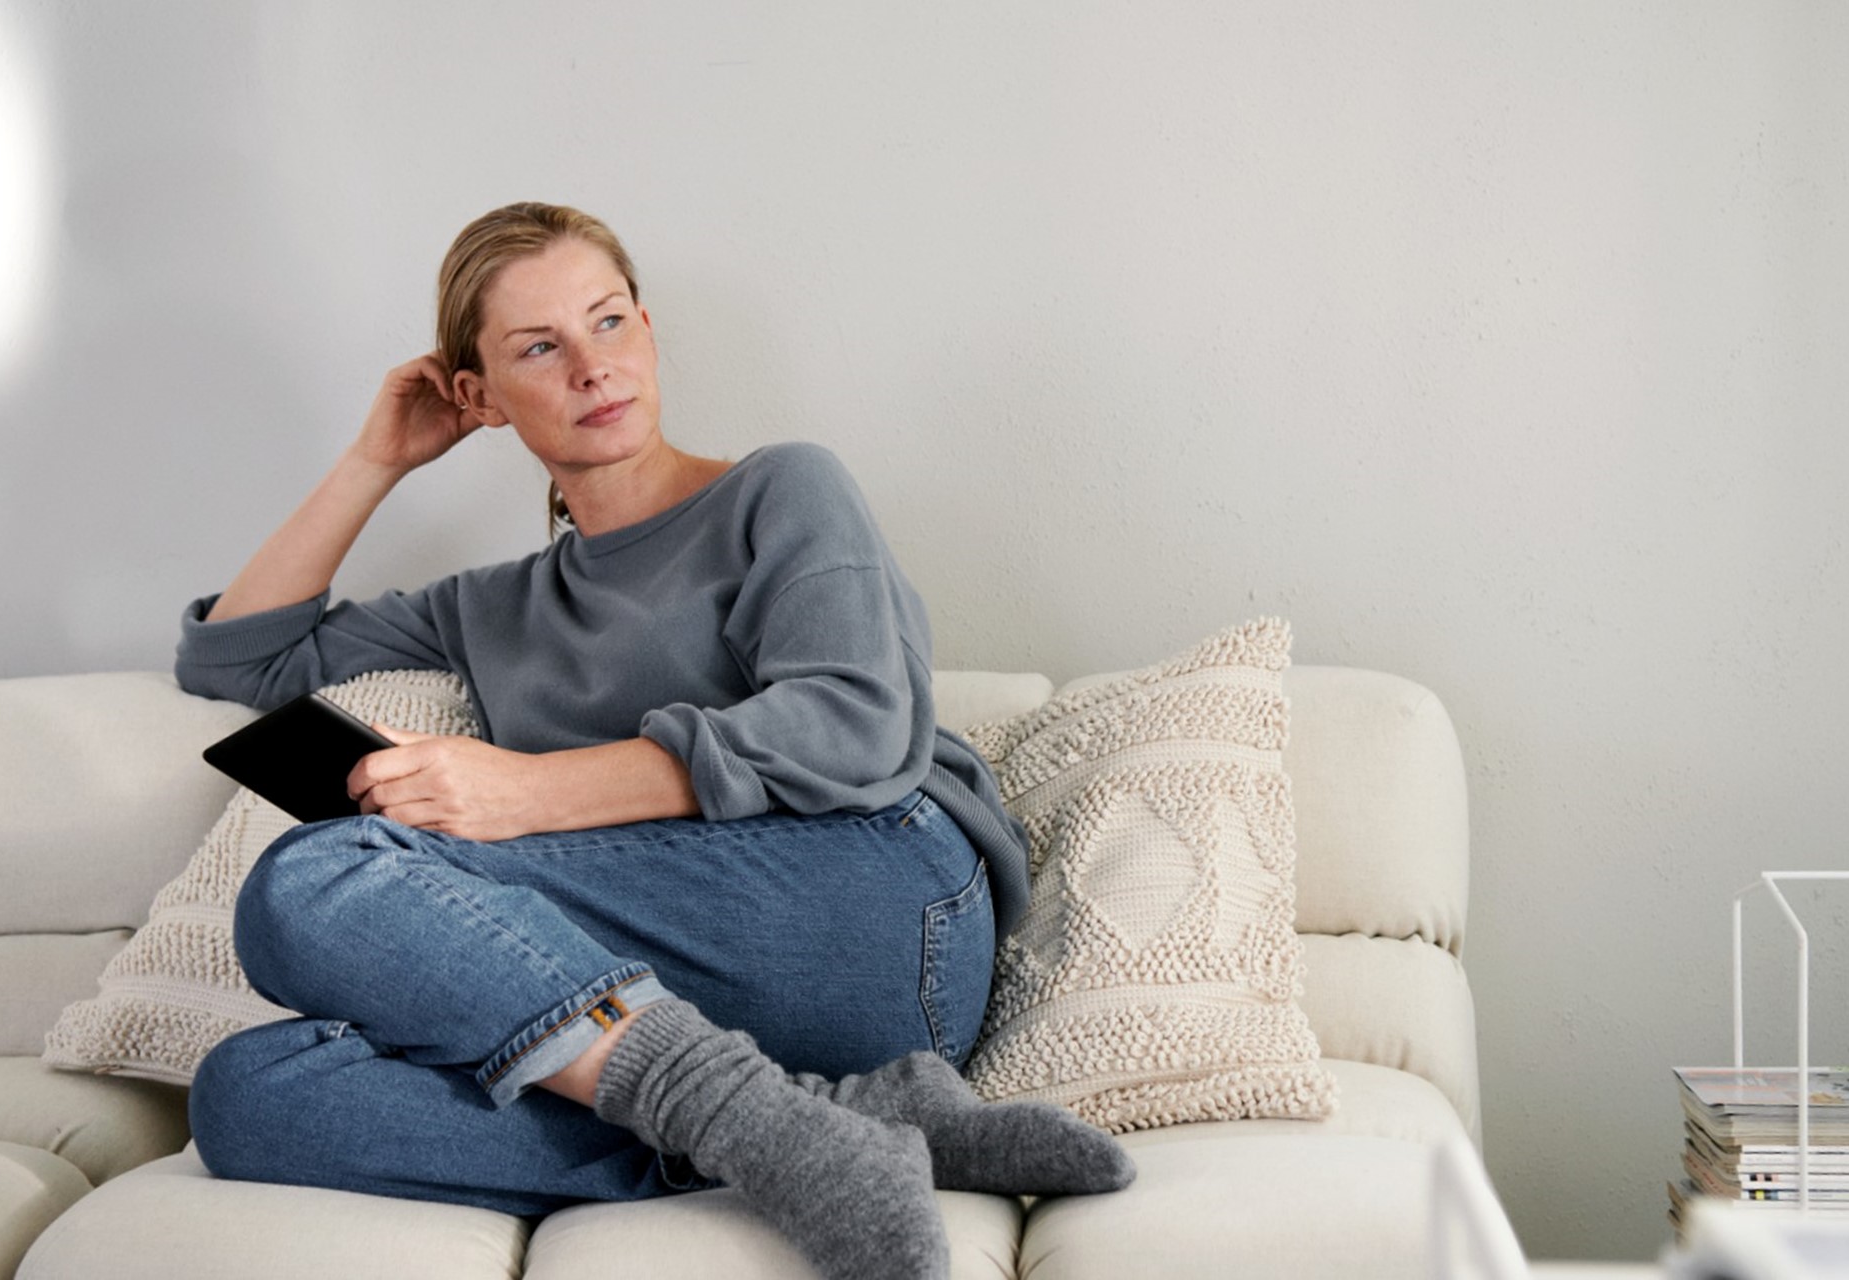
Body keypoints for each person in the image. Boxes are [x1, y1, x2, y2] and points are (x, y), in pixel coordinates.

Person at [175, 202, 1132, 1280]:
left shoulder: (781, 489)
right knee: (249, 1093)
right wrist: (373, 459)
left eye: (610, 322)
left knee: (307, 879)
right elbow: (234, 661)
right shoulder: (490, 608)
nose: (592, 366)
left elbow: (856, 722)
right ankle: (816, 1122)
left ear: (648, 329)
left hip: (878, 906)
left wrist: (524, 793)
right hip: (675, 996)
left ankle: (766, 1122)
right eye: (541, 347)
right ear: (479, 396)